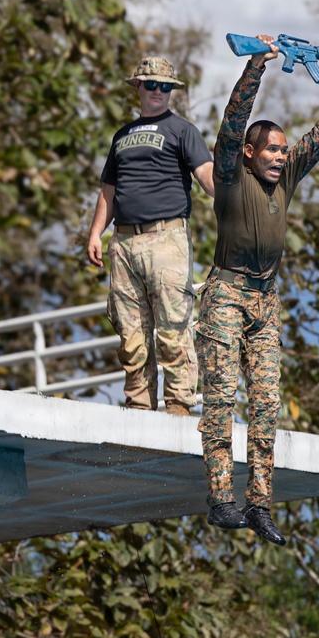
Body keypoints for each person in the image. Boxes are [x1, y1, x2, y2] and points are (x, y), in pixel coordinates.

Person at [197, 36, 319, 543]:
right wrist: (257, 67)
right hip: (225, 294)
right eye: (271, 149)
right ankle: (221, 499)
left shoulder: (285, 177)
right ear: (248, 154)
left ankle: (259, 503)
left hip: (265, 303)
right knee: (222, 396)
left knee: (267, 403)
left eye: (282, 151)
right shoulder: (230, 175)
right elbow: (231, 122)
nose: (280, 156)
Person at [86, 56, 214, 416]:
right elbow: (108, 190)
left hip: (166, 238)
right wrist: (96, 233)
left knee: (173, 329)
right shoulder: (121, 136)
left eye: (166, 87)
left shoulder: (182, 130)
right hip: (123, 241)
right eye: (152, 85)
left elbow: (207, 175)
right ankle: (139, 408)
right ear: (138, 87)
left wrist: (234, 195)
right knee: (131, 336)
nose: (159, 92)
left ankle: (178, 408)